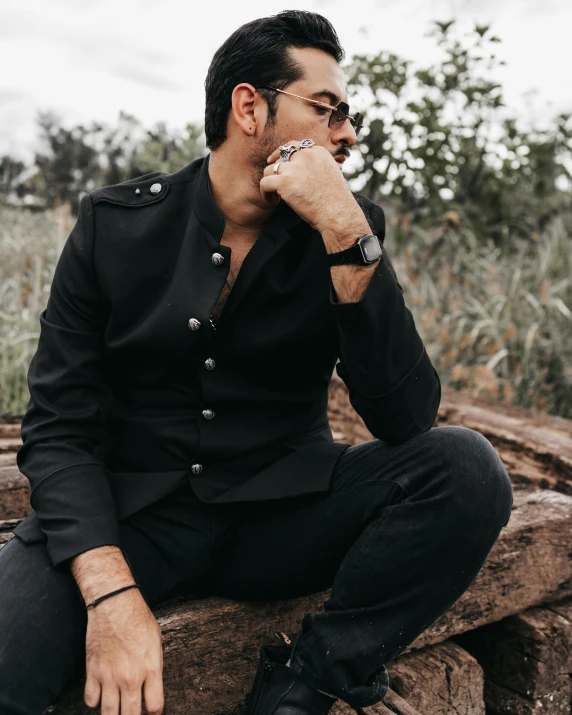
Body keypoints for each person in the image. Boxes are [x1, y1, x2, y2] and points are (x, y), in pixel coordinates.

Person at [0, 10, 514, 715]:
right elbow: (57, 427)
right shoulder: (114, 225)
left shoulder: (343, 228)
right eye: (327, 110)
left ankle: (304, 685)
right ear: (250, 107)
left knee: (466, 468)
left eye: (347, 115)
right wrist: (111, 592)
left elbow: (405, 416)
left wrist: (347, 230)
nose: (348, 134)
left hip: (280, 517)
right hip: (131, 515)